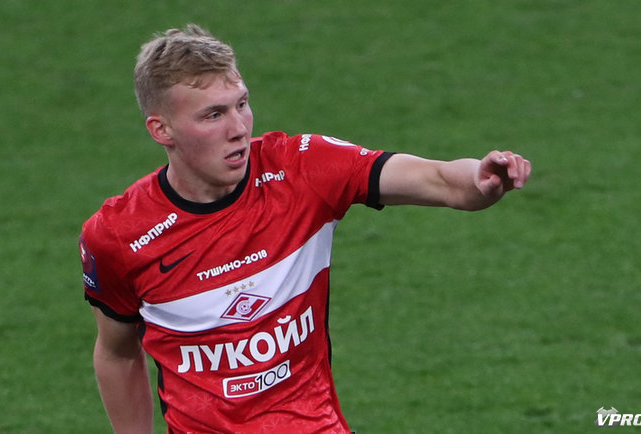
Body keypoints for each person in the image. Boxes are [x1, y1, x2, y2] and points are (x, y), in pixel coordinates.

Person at [79, 24, 531, 434]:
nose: (239, 128)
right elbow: (117, 353)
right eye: (213, 115)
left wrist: (479, 180)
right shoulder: (119, 236)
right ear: (162, 129)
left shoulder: (300, 170)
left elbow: (439, 179)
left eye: (241, 105)